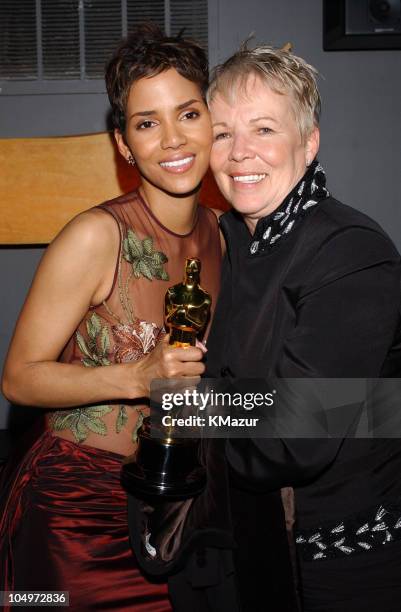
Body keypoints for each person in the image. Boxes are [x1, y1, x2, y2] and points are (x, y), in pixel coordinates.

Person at [0, 23, 222, 611]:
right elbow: (19, 377)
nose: (172, 140)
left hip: (172, 505)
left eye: (188, 114)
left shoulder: (223, 234)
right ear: (124, 144)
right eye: (147, 123)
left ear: (212, 120)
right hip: (74, 511)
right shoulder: (97, 235)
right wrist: (132, 378)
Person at [202, 43, 401, 611]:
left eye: (263, 129)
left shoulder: (350, 251)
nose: (240, 153)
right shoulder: (239, 240)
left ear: (309, 142)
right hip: (261, 542)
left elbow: (293, 436)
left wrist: (178, 408)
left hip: (344, 559)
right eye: (222, 133)